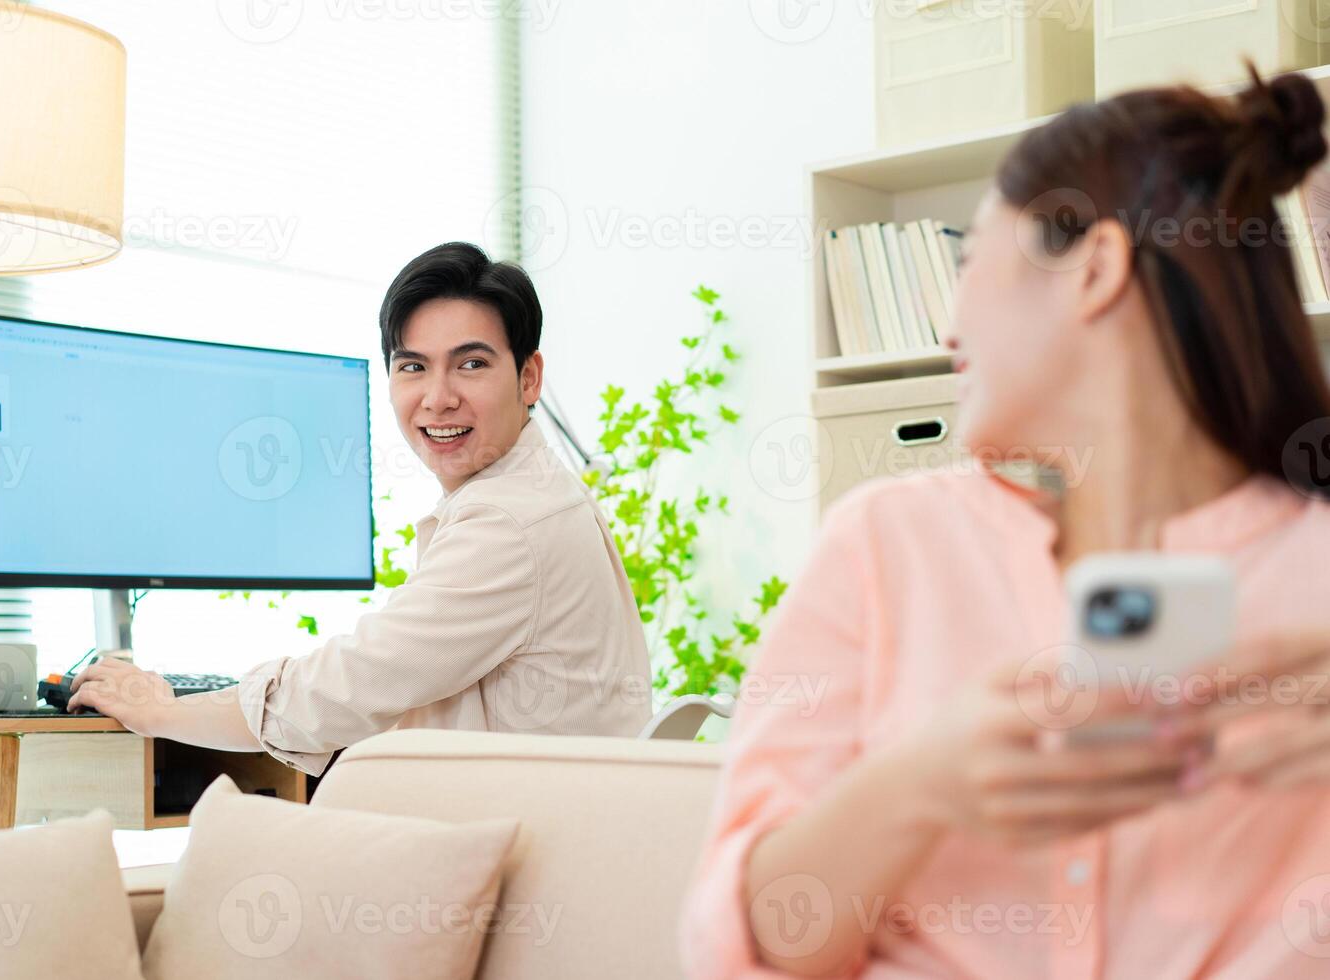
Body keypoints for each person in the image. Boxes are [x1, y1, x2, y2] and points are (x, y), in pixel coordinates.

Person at [681, 68, 1330, 978]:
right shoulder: (885, 545)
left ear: (1095, 269)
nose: (949, 323)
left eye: (967, 263)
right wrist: (923, 782)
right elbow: (745, 950)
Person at [68, 242, 652, 774]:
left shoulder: (510, 522)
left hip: (517, 864)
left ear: (529, 378)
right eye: (413, 366)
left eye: (471, 364)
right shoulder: (533, 493)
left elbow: (348, 686)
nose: (438, 397)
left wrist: (164, 709)